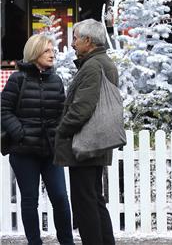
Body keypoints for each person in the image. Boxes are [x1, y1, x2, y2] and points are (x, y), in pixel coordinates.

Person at [1, 34, 74, 245]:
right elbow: (3, 109)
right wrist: (20, 133)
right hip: (24, 152)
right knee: (30, 200)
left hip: (50, 151)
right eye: (47, 51)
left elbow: (62, 112)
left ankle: (67, 242)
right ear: (34, 53)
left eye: (53, 51)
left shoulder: (56, 80)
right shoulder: (17, 79)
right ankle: (35, 242)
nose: (52, 55)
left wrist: (58, 132)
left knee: (60, 197)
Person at [54, 19, 118, 245]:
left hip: (86, 144)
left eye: (75, 38)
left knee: (85, 203)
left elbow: (82, 108)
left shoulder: (92, 66)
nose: (72, 44)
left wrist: (61, 130)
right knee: (94, 199)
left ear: (88, 41)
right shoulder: (102, 62)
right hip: (96, 142)